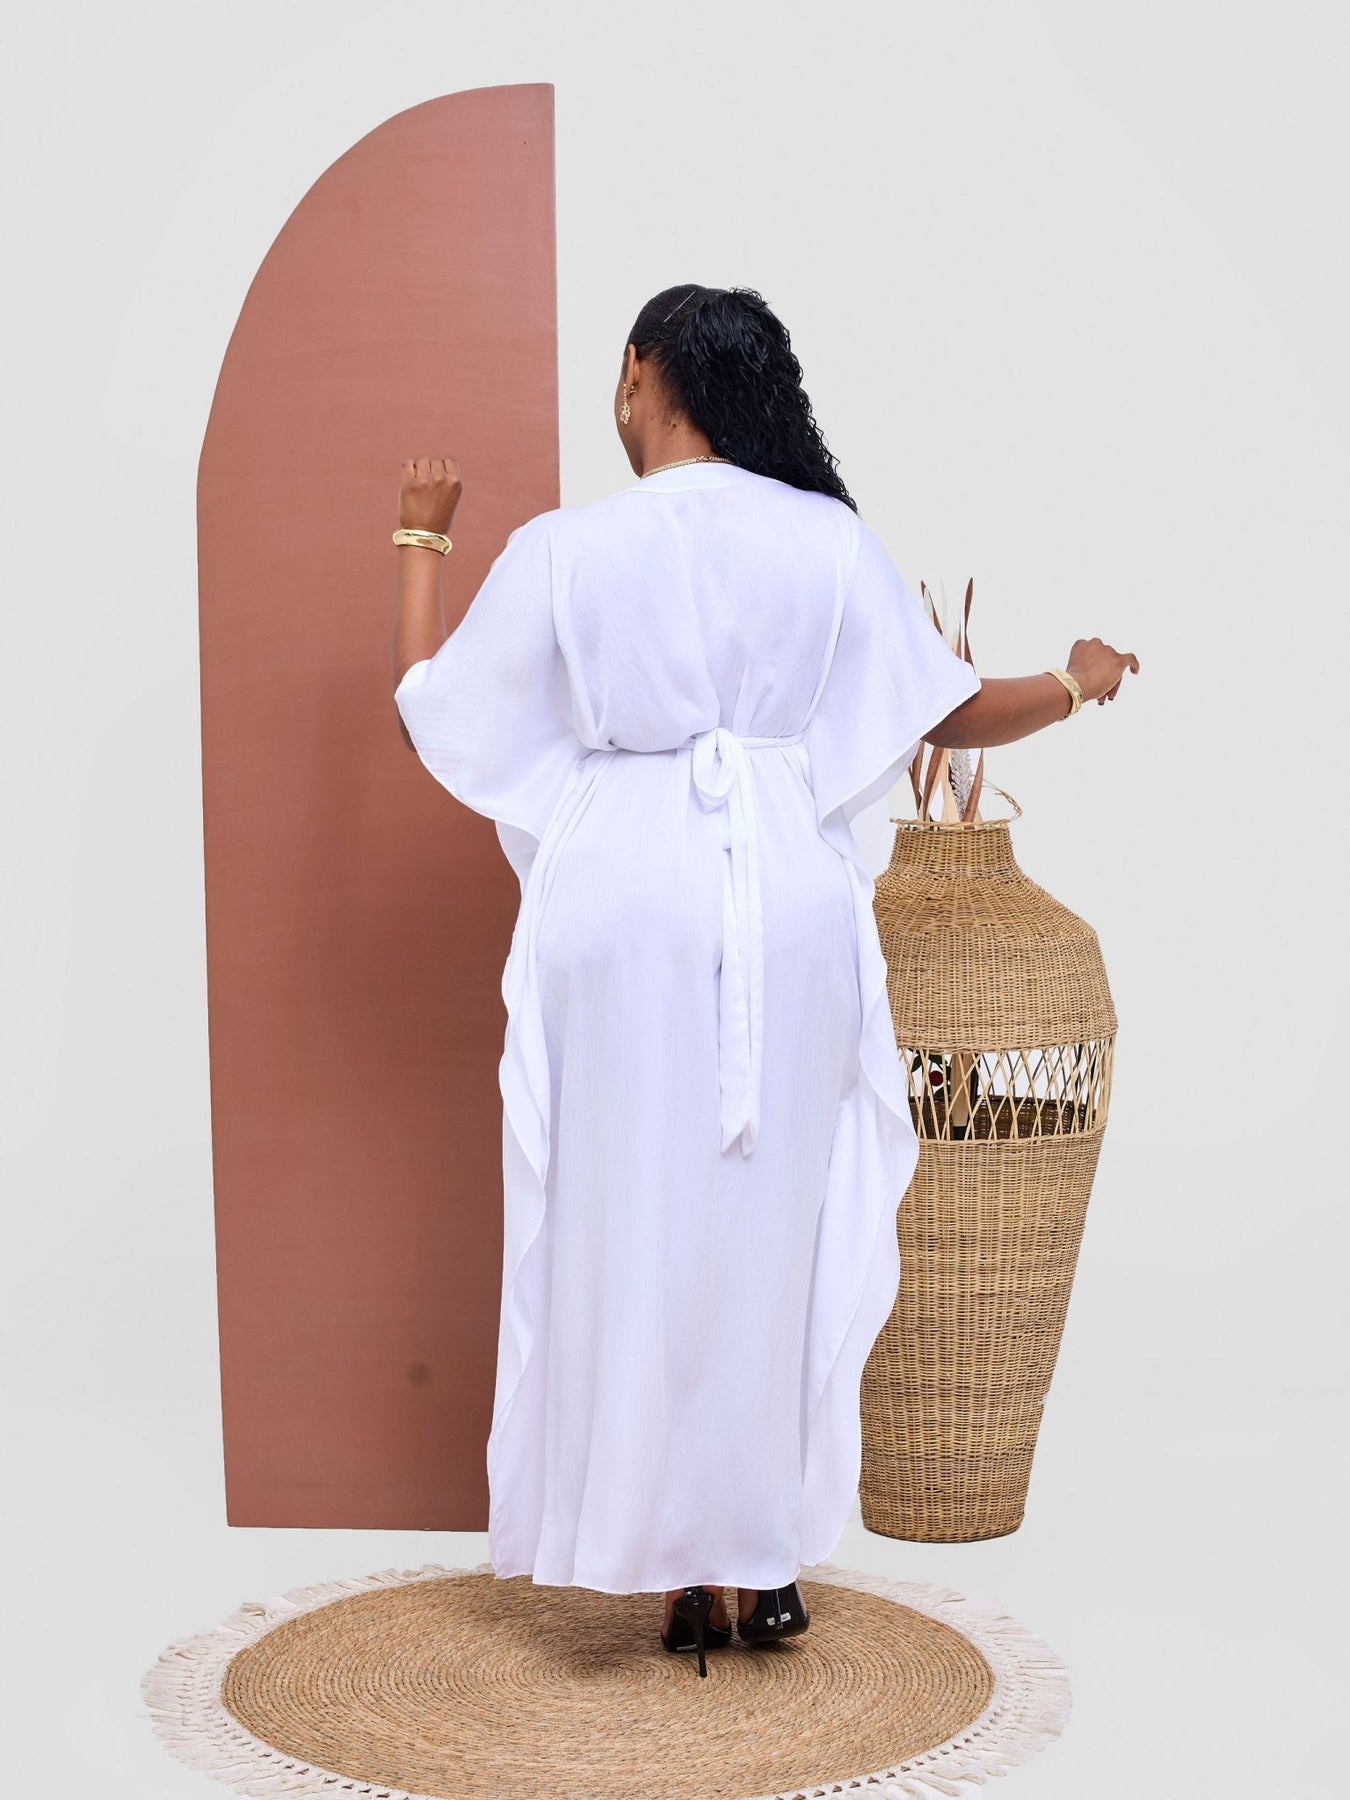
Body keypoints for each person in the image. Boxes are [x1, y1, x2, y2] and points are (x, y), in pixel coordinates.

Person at [390, 283, 1138, 1678]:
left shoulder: (567, 548)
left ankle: (667, 1555)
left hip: (619, 903)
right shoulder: (824, 540)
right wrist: (1076, 682)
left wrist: (421, 535)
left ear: (639, 374)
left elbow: (438, 709)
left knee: (630, 1220)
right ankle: (756, 1558)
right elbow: (948, 708)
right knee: (773, 1224)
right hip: (782, 900)